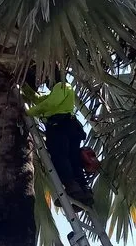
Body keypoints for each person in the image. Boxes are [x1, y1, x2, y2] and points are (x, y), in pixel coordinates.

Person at [28, 79, 94, 207]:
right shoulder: (59, 91)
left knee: (60, 157)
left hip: (60, 126)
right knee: (73, 159)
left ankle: (72, 187)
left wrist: (27, 113)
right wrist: (24, 88)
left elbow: (49, 104)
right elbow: (38, 99)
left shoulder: (62, 85)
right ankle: (83, 191)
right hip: (70, 127)